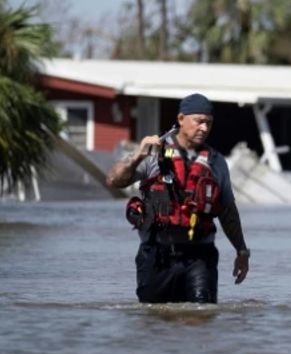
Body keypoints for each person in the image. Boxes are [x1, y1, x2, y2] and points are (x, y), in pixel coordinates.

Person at [106, 93, 250, 303]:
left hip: (200, 257)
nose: (204, 128)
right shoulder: (154, 154)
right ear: (181, 119)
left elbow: (227, 211)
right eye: (199, 121)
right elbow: (113, 180)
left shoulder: (216, 162)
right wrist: (138, 156)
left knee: (202, 317)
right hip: (157, 256)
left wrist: (242, 251)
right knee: (154, 321)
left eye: (208, 123)